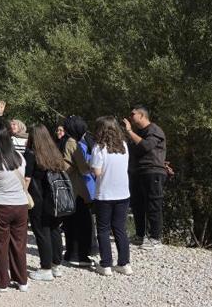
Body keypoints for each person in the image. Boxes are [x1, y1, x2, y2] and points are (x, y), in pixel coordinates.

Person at [0, 118, 29, 292]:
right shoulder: (19, 158)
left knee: (1, 245)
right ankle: (22, 280)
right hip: (20, 205)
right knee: (19, 243)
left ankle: (2, 282)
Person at [24, 125, 67, 281]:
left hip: (38, 198)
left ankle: (45, 268)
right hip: (55, 198)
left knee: (42, 232)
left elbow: (27, 178)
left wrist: (22, 194)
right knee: (54, 230)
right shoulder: (55, 153)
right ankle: (56, 265)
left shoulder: (31, 154)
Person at [91, 116, 132, 276]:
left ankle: (106, 264)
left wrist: (90, 167)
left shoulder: (98, 148)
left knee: (103, 229)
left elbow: (97, 172)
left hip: (105, 194)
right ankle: (124, 263)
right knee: (120, 228)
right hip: (123, 192)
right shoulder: (124, 146)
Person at [124, 105, 167, 249]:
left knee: (153, 204)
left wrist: (129, 131)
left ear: (142, 115)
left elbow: (146, 147)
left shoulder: (154, 130)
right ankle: (140, 235)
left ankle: (155, 238)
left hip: (152, 171)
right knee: (138, 205)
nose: (130, 117)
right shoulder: (138, 133)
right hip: (138, 172)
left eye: (133, 114)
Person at [62, 115, 94, 267]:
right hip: (76, 188)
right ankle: (82, 255)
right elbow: (83, 168)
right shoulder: (73, 143)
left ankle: (70, 252)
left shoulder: (64, 141)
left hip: (67, 187)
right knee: (83, 223)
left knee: (70, 223)